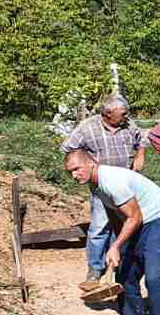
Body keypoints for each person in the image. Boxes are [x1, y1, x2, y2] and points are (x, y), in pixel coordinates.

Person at [62, 148, 160, 315]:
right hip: (139, 223)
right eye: (70, 172)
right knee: (124, 275)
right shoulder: (95, 184)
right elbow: (115, 212)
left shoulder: (111, 181)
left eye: (77, 169)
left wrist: (115, 245)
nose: (74, 175)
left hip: (158, 221)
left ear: (91, 163)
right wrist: (120, 246)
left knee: (155, 278)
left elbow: (135, 217)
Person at [61, 95, 145, 282]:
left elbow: (142, 140)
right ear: (107, 114)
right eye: (122, 113)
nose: (126, 116)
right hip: (101, 185)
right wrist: (86, 163)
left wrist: (140, 155)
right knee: (100, 226)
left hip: (125, 185)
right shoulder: (87, 128)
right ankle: (95, 268)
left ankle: (119, 263)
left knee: (125, 224)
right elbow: (67, 148)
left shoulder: (128, 125)